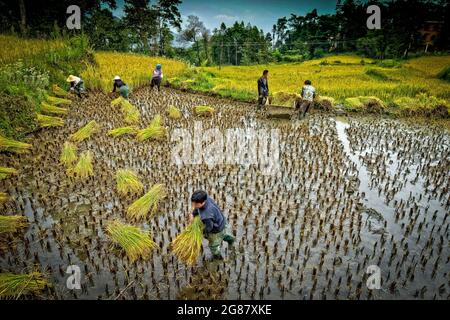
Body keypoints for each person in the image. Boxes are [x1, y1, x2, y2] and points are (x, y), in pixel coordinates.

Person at [189, 190, 235, 260]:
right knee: (226, 234)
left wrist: (200, 232)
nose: (193, 205)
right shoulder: (206, 198)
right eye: (193, 203)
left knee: (214, 246)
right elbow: (197, 209)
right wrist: (193, 214)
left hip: (216, 230)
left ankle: (218, 259)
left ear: (202, 202)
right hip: (222, 221)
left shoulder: (206, 215)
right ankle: (231, 242)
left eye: (195, 204)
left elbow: (209, 228)